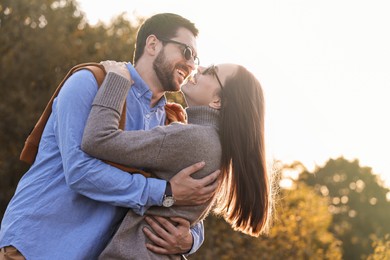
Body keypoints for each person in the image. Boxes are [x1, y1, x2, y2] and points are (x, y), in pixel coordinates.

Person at [0, 13, 220, 259]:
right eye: (186, 52)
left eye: (195, 58)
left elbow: (191, 198)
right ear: (153, 44)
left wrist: (191, 239)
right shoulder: (90, 82)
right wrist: (164, 192)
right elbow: (79, 171)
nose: (191, 65)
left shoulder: (172, 123)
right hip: (37, 246)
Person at [81, 61, 272, 259]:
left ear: (218, 101)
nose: (198, 69)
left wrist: (117, 80)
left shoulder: (195, 139)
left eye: (211, 71)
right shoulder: (217, 145)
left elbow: (98, 139)